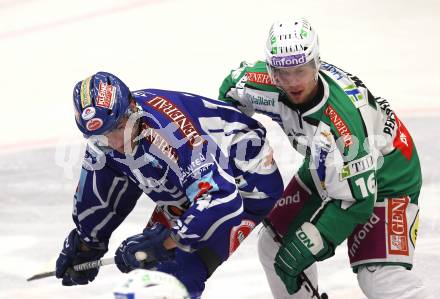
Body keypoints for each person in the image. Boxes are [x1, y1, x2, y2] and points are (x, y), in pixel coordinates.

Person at [218, 18, 428, 299]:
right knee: (274, 245)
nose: (291, 82)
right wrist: (237, 146)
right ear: (270, 69)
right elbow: (231, 91)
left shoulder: (343, 127)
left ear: (316, 63)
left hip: (388, 172)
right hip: (327, 163)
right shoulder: (259, 83)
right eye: (281, 71)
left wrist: (310, 245)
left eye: (300, 70)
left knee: (378, 276)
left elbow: (358, 201)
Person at [55, 72, 284, 298]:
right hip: (192, 186)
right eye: (100, 137)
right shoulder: (107, 138)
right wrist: (87, 243)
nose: (115, 143)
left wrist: (167, 241)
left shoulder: (172, 132)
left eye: (118, 128)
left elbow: (222, 200)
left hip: (246, 185)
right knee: (147, 268)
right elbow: (100, 194)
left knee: (168, 276)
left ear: (133, 109)